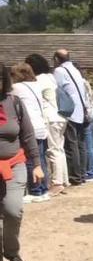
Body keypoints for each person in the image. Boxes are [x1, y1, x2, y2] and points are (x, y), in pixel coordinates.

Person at [0, 63, 43, 261]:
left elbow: (27, 135)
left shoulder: (14, 103)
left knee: (12, 210)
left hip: (14, 164)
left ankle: (12, 252)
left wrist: (36, 164)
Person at [25, 54, 66, 195]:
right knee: (59, 150)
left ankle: (57, 183)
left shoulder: (40, 80)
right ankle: (62, 180)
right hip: (60, 116)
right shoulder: (50, 77)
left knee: (53, 151)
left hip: (50, 117)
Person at [10, 64, 50, 203]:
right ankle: (44, 189)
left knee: (30, 159)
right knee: (41, 159)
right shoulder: (36, 85)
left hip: (30, 126)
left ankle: (35, 190)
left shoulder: (17, 88)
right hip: (41, 125)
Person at [53, 49, 92, 186]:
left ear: (57, 59)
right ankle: (82, 174)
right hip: (80, 111)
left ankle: (75, 176)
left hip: (70, 112)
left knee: (71, 145)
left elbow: (56, 89)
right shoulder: (75, 70)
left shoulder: (59, 71)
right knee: (81, 144)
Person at [73, 62, 93, 182]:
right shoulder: (85, 82)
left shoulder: (79, 83)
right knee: (92, 145)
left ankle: (91, 172)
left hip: (87, 115)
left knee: (88, 145)